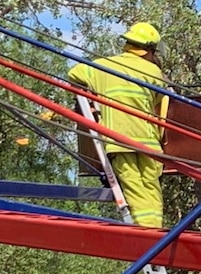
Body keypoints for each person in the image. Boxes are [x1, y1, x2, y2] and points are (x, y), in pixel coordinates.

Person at [67, 22, 169, 228]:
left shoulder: (103, 66)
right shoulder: (154, 71)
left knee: (134, 190)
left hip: (119, 141)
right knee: (151, 190)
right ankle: (155, 233)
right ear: (149, 50)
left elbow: (74, 73)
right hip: (149, 143)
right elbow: (159, 100)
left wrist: (91, 96)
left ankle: (148, 237)